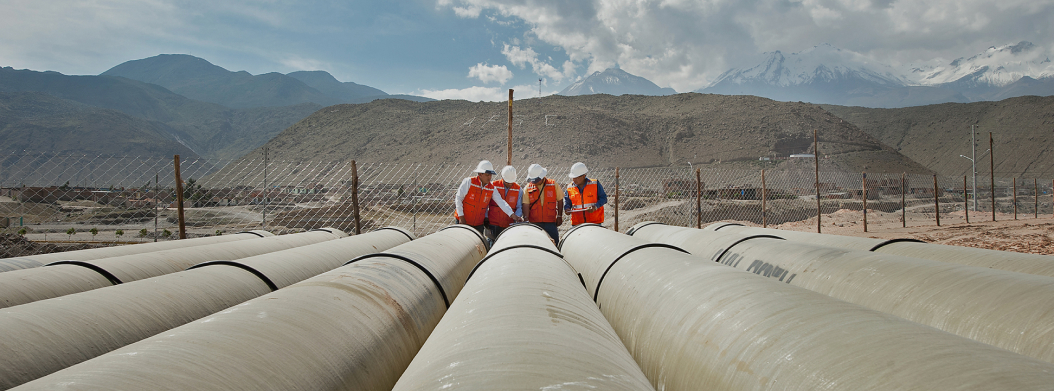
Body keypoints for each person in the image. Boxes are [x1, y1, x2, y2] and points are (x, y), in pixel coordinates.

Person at [454, 160, 521, 240]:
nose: (489, 177)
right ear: (480, 174)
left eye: (491, 175)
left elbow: (501, 202)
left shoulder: (492, 188)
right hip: (463, 221)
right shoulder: (469, 182)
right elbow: (458, 198)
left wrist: (513, 215)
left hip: (478, 224)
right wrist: (461, 217)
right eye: (487, 175)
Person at [523, 164, 563, 245]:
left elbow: (560, 200)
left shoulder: (553, 184)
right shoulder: (528, 187)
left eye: (536, 180)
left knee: (554, 244)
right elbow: (526, 204)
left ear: (542, 176)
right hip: (534, 223)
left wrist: (559, 216)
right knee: (536, 244)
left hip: (550, 222)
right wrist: (526, 219)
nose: (534, 182)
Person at [564, 162, 607, 226]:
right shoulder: (570, 187)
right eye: (573, 177)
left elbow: (604, 198)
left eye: (576, 177)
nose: (574, 179)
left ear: (584, 176)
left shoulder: (595, 184)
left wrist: (595, 207)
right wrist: (567, 209)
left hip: (594, 222)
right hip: (577, 223)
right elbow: (567, 202)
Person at [487, 165, 523, 239]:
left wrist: (517, 216)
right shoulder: (493, 185)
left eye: (511, 182)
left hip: (509, 225)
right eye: (507, 182)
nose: (510, 184)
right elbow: (485, 204)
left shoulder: (518, 189)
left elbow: (519, 207)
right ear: (502, 177)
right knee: (492, 244)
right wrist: (485, 217)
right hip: (493, 224)